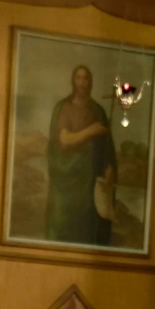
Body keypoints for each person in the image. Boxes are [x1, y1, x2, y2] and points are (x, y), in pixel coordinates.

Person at [44, 65, 116, 246]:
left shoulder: (98, 111)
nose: (82, 83)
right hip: (68, 181)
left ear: (90, 82)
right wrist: (91, 130)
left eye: (86, 79)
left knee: (89, 227)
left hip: (90, 182)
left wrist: (109, 170)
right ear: (73, 81)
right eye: (78, 78)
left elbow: (107, 148)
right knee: (64, 225)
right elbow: (64, 140)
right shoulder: (64, 108)